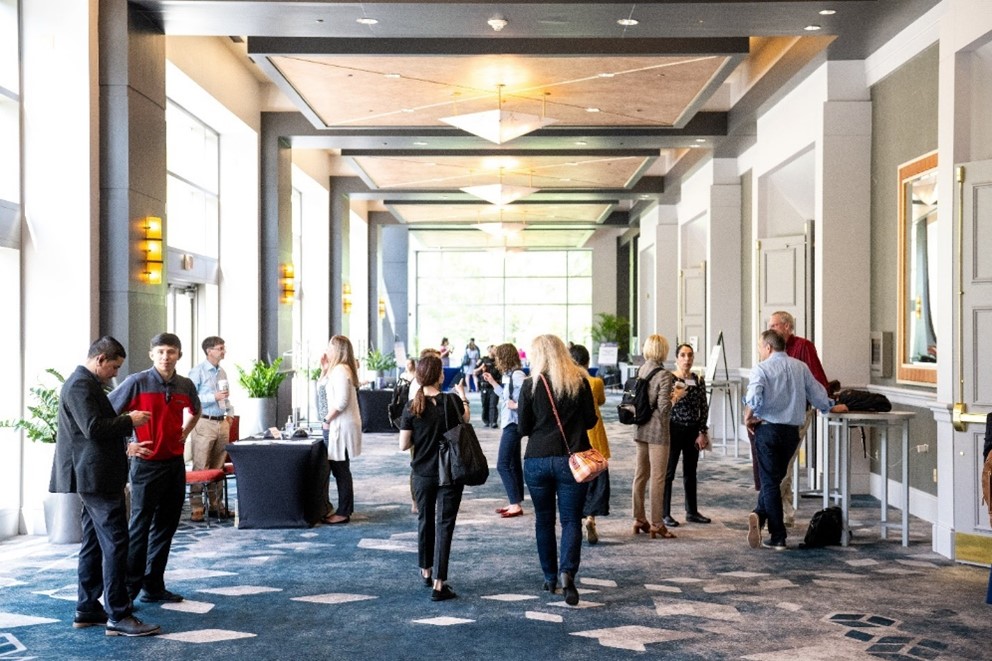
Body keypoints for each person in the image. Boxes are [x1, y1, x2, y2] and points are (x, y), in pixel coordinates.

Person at [50, 336, 160, 637]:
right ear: (100, 359)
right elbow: (93, 428)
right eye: (113, 366)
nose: (115, 373)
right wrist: (130, 420)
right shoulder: (80, 385)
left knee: (95, 543)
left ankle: (87, 608)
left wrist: (127, 445)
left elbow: (90, 432)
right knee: (116, 542)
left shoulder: (86, 384)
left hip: (95, 475)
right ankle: (118, 615)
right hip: (95, 478)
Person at [108, 332, 200, 603]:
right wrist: (128, 446)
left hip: (174, 464)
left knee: (166, 526)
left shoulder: (185, 385)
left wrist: (184, 432)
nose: (165, 357)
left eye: (171, 352)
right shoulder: (136, 382)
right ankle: (128, 592)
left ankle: (153, 586)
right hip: (146, 465)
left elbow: (196, 411)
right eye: (160, 352)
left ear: (179, 355)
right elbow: (107, 414)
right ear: (151, 355)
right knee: (140, 527)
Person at [743, 330, 847, 550]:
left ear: (768, 348)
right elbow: (817, 394)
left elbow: (754, 398)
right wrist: (829, 406)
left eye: (760, 347)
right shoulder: (800, 367)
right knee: (776, 479)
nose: (759, 351)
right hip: (791, 433)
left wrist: (750, 415)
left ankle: (778, 535)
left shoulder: (761, 369)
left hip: (768, 429)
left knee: (770, 482)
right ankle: (759, 514)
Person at [517, 334, 597, 606]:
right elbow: (590, 421)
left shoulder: (529, 385)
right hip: (571, 460)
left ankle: (549, 577)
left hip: (537, 460)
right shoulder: (579, 382)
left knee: (543, 520)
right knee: (571, 520)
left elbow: (523, 428)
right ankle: (567, 574)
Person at [398, 353, 470, 601]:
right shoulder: (451, 401)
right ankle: (440, 583)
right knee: (444, 524)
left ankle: (425, 570)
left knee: (424, 520)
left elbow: (403, 445)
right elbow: (466, 421)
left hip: (422, 472)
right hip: (450, 471)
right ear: (439, 376)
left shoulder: (412, 406)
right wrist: (463, 396)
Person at [768, 310, 831, 527]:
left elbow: (817, 380)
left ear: (787, 326)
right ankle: (784, 512)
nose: (771, 329)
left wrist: (826, 404)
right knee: (777, 465)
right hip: (772, 416)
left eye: (774, 325)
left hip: (797, 414)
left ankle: (776, 513)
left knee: (784, 464)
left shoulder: (803, 347)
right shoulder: (769, 348)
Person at [631, 334, 677, 540]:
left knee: (641, 475)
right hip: (658, 430)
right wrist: (677, 396)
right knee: (658, 477)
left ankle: (639, 518)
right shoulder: (665, 375)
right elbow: (664, 408)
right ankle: (657, 524)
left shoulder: (642, 370)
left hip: (640, 427)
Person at [663, 343, 711, 528]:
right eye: (682, 355)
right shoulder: (670, 378)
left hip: (692, 430)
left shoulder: (698, 380)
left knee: (691, 473)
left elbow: (703, 408)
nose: (687, 359)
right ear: (676, 358)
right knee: (669, 473)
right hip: (674, 429)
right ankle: (665, 513)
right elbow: (665, 405)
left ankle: (692, 511)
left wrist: (702, 432)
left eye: (690, 355)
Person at [317, 335, 363, 525]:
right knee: (341, 469)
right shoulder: (336, 370)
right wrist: (323, 370)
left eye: (330, 346)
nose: (327, 349)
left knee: (341, 470)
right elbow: (321, 390)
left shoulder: (340, 371)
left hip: (339, 426)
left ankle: (344, 511)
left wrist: (327, 419)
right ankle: (344, 508)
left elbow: (341, 401)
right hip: (338, 425)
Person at [186, 335, 232, 522]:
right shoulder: (197, 372)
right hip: (204, 421)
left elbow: (226, 397)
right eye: (220, 348)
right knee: (201, 465)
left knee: (218, 465)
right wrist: (212, 397)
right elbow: (191, 398)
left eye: (223, 347)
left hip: (221, 421)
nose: (223, 351)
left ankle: (216, 505)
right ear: (209, 351)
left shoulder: (222, 372)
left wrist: (229, 414)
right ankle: (197, 506)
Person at [569, 344, 611, 545]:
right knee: (596, 481)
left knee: (576, 481)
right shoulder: (595, 382)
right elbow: (600, 401)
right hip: (594, 435)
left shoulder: (567, 383)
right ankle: (591, 518)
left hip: (575, 438)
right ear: (587, 362)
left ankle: (575, 521)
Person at [482, 343, 527, 518]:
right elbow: (505, 396)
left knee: (502, 464)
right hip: (509, 422)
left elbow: (528, 398)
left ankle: (515, 503)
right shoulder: (509, 375)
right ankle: (516, 501)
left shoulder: (518, 375)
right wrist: (493, 382)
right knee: (513, 463)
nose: (496, 360)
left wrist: (515, 406)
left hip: (513, 424)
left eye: (498, 357)